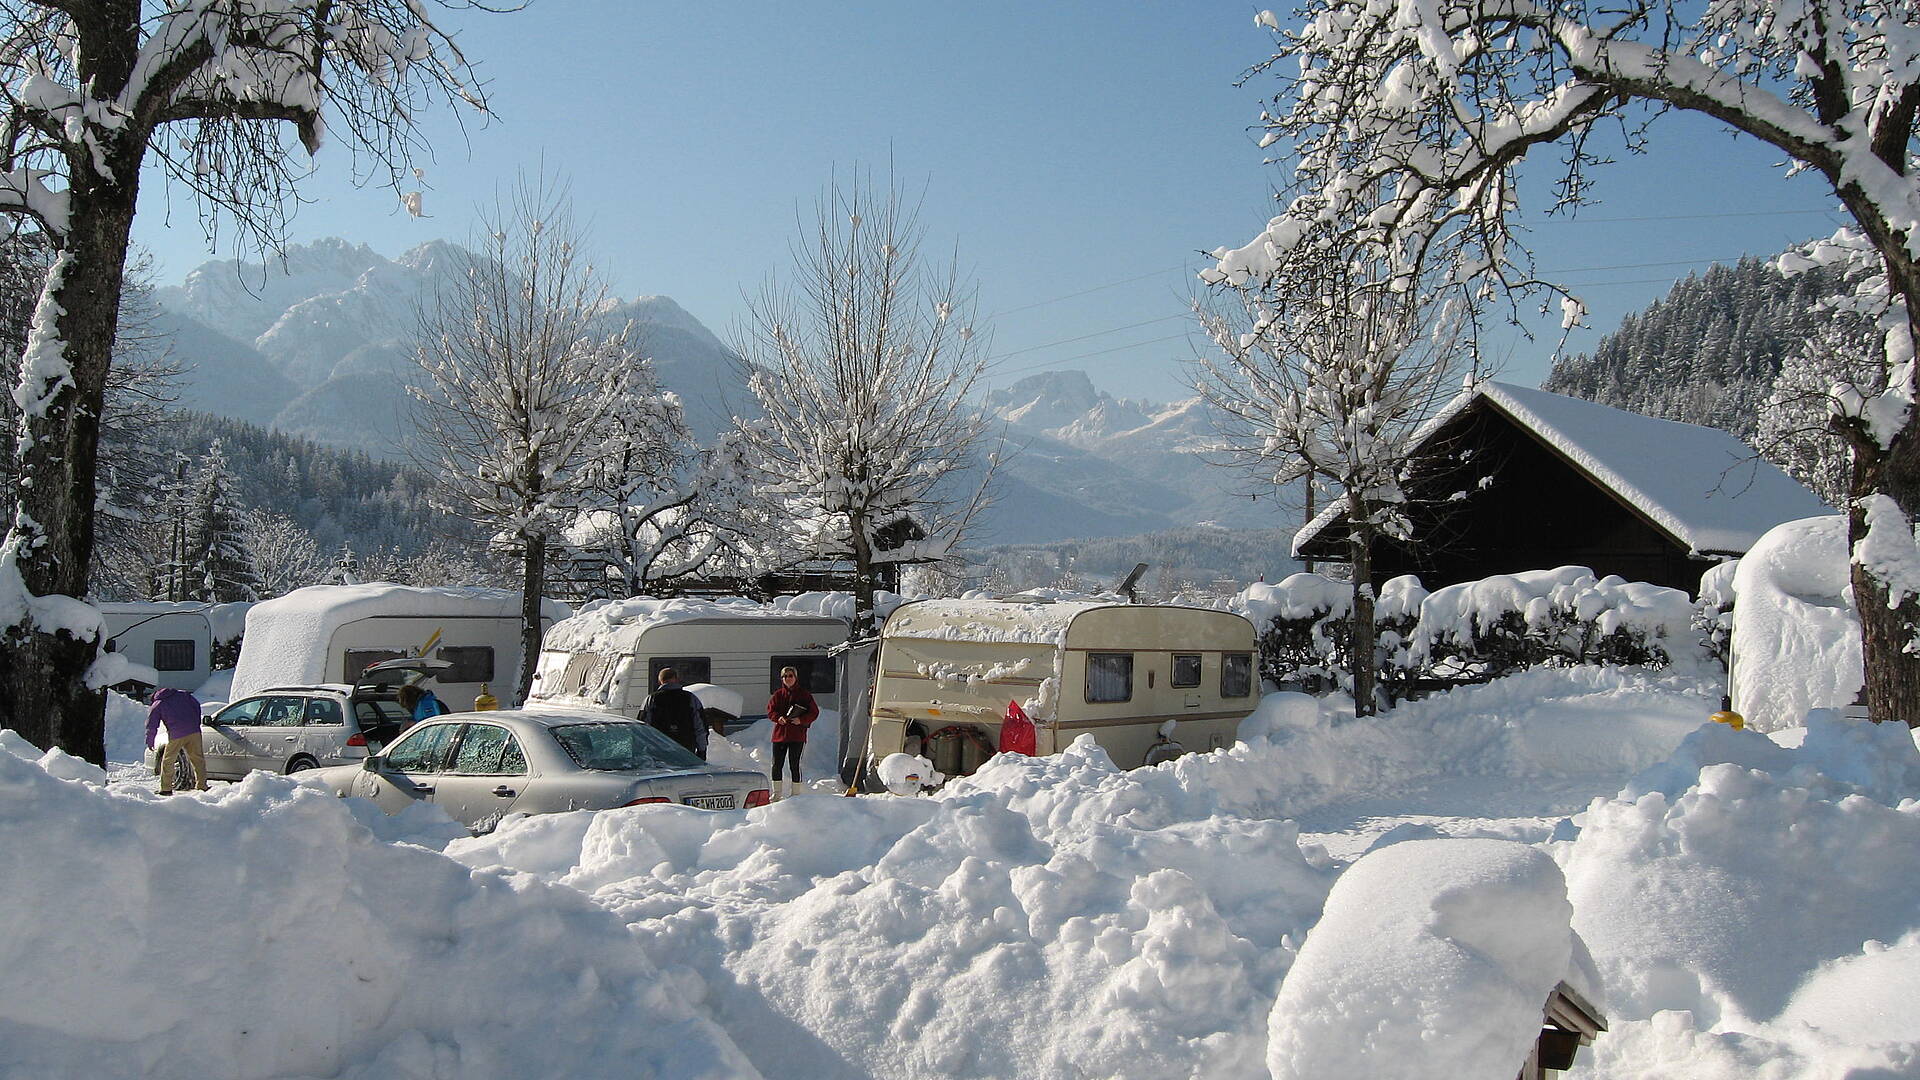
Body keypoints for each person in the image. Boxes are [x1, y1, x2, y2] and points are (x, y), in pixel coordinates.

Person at [766, 665, 818, 800]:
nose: (787, 678)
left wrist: (801, 720)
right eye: (785, 676)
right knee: (777, 764)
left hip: (797, 736)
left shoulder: (805, 695)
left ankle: (796, 794)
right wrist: (778, 718)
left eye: (790, 676)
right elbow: (770, 711)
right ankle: (777, 793)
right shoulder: (778, 695)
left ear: (796, 677)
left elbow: (814, 712)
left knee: (794, 764)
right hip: (779, 736)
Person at [146, 687, 206, 794]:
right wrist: (195, 723)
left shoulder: (158, 703)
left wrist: (150, 741)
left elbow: (152, 725)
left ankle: (166, 789)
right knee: (198, 759)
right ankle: (202, 785)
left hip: (176, 734)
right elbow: (197, 706)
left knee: (168, 761)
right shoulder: (184, 695)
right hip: (194, 731)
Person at [640, 667, 702, 757]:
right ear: (676, 679)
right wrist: (701, 750)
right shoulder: (690, 698)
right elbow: (700, 726)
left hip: (659, 751)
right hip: (686, 751)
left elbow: (644, 727)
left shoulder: (651, 699)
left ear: (660, 681)